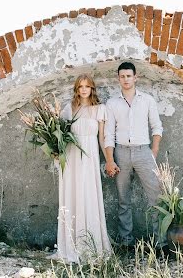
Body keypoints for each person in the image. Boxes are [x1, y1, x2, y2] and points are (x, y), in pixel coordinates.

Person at [54, 74, 112, 263]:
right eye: (80, 86)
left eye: (87, 86)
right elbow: (60, 135)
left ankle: (90, 245)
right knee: (72, 196)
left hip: (89, 157)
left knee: (88, 195)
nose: (84, 89)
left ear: (92, 88)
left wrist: (109, 160)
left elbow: (103, 139)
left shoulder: (99, 109)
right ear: (76, 89)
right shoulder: (69, 109)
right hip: (71, 158)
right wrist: (55, 151)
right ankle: (70, 245)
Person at [105, 61, 163, 247]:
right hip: (121, 153)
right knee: (123, 200)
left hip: (143, 151)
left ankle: (159, 243)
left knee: (156, 197)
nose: (126, 79)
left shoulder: (147, 100)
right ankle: (126, 243)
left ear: (135, 77)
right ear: (118, 79)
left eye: (129, 76)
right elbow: (108, 134)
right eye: (122, 76)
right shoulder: (112, 103)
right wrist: (110, 159)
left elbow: (156, 126)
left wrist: (153, 150)